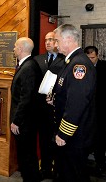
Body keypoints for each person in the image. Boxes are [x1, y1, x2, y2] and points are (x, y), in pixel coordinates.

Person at [50, 24, 96, 182]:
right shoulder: (69, 62)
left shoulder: (79, 65)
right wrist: (54, 99)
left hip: (74, 135)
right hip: (71, 133)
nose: (55, 45)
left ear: (68, 39)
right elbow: (67, 94)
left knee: (74, 175)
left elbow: (77, 102)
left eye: (56, 41)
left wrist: (64, 133)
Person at [34, 32, 65, 180]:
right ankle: (45, 168)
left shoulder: (65, 59)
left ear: (57, 41)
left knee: (57, 141)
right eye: (46, 40)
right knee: (44, 140)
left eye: (51, 40)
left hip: (57, 108)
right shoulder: (38, 59)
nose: (48, 42)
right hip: (41, 109)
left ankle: (57, 171)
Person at [10, 37, 41, 182]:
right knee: (26, 155)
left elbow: (25, 98)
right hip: (27, 120)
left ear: (21, 49)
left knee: (27, 156)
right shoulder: (28, 64)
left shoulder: (28, 67)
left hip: (25, 122)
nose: (14, 49)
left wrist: (16, 121)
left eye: (15, 46)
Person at [84, 46, 106, 176]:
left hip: (102, 111)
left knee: (100, 139)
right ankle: (85, 161)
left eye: (93, 57)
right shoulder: (82, 68)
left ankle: (100, 164)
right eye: (88, 58)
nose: (90, 60)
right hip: (87, 111)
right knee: (88, 136)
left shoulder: (105, 67)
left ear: (97, 56)